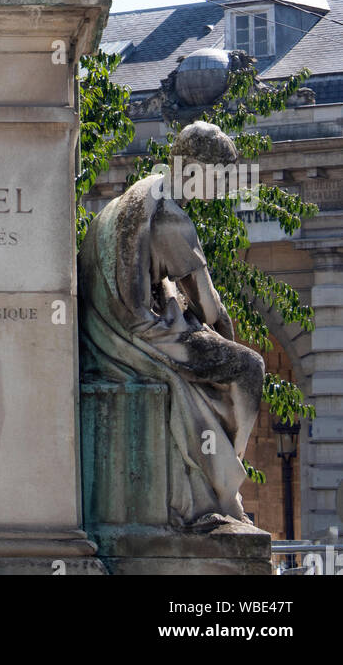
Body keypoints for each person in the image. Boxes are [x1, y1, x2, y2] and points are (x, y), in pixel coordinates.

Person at [77, 122, 265, 526]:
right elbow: (211, 308)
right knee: (249, 368)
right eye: (219, 178)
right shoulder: (172, 217)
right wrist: (226, 342)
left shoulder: (143, 190)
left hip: (104, 325)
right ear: (195, 170)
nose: (223, 189)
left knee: (215, 368)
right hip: (136, 334)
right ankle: (226, 490)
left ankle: (219, 481)